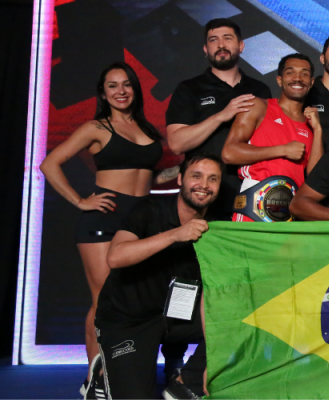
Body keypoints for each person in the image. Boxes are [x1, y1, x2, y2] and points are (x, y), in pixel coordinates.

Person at [40, 62, 172, 395]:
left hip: (141, 222)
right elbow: (49, 163)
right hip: (104, 221)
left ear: (135, 89)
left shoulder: (145, 127)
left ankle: (123, 370)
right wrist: (79, 200)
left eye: (126, 84)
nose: (121, 91)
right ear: (103, 93)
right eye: (112, 86)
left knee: (136, 299)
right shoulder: (96, 127)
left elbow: (145, 175)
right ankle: (94, 378)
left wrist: (177, 175)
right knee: (104, 301)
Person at [94, 153, 222, 399]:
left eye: (212, 179)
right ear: (180, 179)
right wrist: (175, 234)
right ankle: (105, 373)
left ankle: (184, 385)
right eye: (196, 176)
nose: (204, 185)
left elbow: (211, 292)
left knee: (243, 317)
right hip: (130, 321)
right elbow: (115, 257)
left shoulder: (216, 226)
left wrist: (212, 361)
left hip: (178, 318)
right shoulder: (149, 208)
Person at [165, 18, 272, 220]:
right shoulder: (189, 89)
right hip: (204, 194)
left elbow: (268, 141)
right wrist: (221, 116)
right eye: (213, 40)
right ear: (206, 49)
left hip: (251, 192)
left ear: (241, 46)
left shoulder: (260, 90)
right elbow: (177, 144)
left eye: (227, 38)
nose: (221, 45)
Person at [222, 53, 322, 222]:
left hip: (291, 214)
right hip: (254, 208)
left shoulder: (311, 124)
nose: (298, 78)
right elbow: (229, 153)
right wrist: (283, 150)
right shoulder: (258, 106)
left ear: (311, 82)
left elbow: (316, 179)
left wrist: (318, 130)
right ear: (279, 80)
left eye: (304, 74)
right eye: (290, 72)